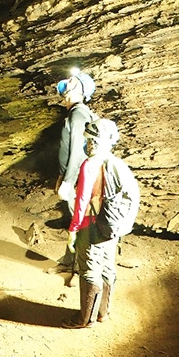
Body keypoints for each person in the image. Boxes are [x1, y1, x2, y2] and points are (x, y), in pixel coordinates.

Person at [63, 118, 121, 329]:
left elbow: (82, 201)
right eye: (88, 141)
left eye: (92, 141)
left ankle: (84, 319)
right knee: (107, 267)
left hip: (91, 224)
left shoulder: (90, 165)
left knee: (89, 270)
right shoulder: (115, 163)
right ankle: (102, 313)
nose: (89, 145)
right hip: (111, 224)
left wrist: (73, 229)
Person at [55, 69, 95, 213]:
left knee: (80, 215)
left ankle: (84, 234)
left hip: (77, 174)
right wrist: (62, 175)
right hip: (74, 173)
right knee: (78, 213)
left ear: (79, 88)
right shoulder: (77, 113)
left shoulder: (78, 114)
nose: (68, 82)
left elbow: (78, 149)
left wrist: (68, 181)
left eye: (72, 81)